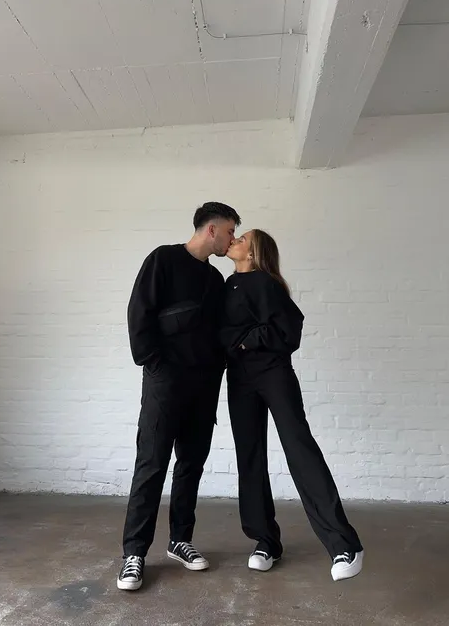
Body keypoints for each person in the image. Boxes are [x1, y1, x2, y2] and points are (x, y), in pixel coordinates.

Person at [220, 229, 364, 581]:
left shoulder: (266, 283)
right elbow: (221, 334)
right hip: (239, 379)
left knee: (299, 449)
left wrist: (245, 342)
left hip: (273, 374)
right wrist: (234, 345)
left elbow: (289, 328)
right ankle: (266, 541)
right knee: (249, 456)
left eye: (242, 239)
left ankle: (344, 544)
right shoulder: (227, 285)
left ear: (253, 253)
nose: (234, 240)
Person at [118, 202, 241, 591]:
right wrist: (154, 364)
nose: (232, 239)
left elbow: (218, 331)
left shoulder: (215, 279)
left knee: (191, 464)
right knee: (151, 463)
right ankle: (134, 553)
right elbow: (139, 313)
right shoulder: (163, 260)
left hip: (203, 386)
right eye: (230, 231)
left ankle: (180, 540)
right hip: (165, 381)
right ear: (211, 229)